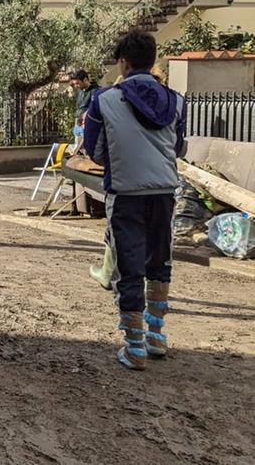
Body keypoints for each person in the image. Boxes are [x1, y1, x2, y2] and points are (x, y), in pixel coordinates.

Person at [84, 29, 185, 371]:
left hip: (125, 192)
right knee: (160, 262)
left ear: (123, 63)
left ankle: (134, 346)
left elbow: (94, 150)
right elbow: (178, 148)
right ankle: (157, 335)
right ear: (153, 60)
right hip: (164, 192)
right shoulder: (175, 100)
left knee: (129, 266)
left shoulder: (104, 99)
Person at [69, 70, 98, 147]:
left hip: (87, 125)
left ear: (85, 80)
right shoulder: (80, 91)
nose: (76, 86)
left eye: (78, 83)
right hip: (78, 124)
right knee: (78, 149)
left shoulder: (95, 91)